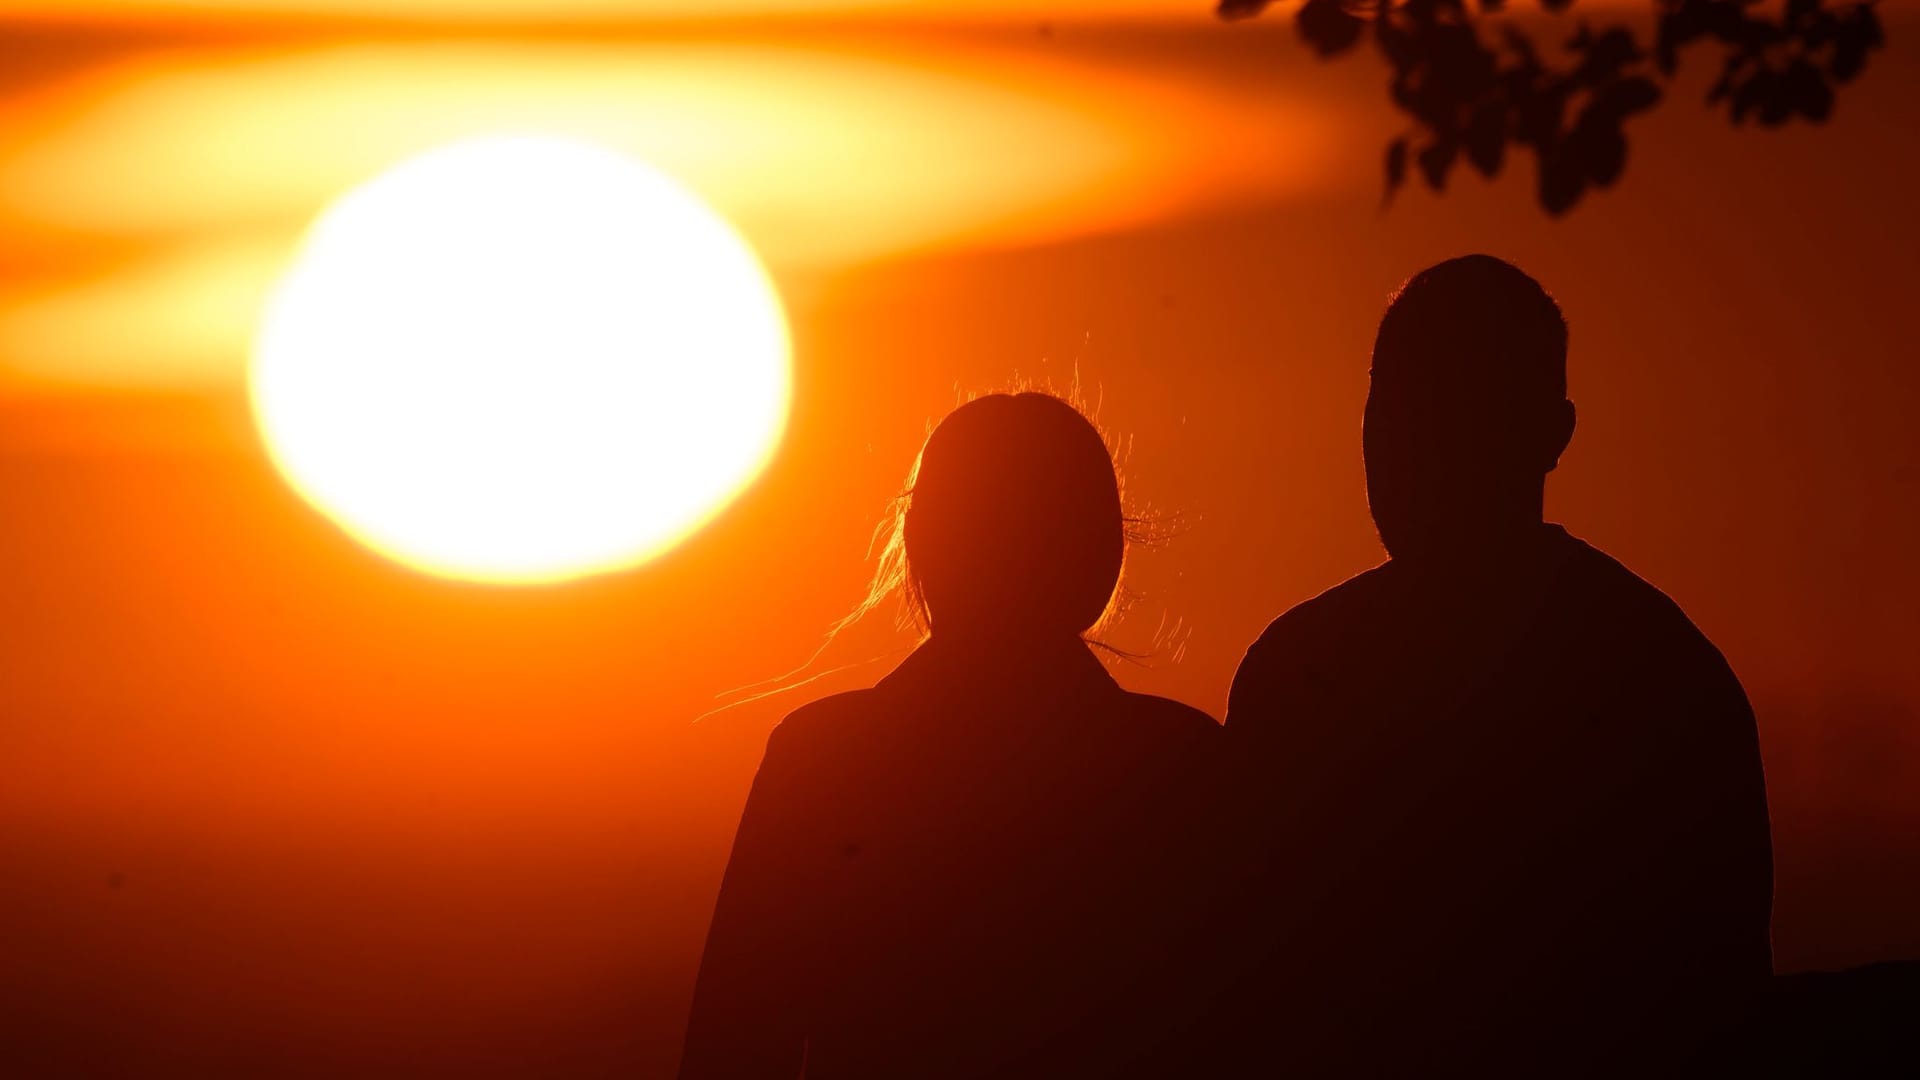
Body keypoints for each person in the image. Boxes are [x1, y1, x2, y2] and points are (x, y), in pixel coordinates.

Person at [1220, 255, 1775, 1075]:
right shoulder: (1667, 674)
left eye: (1447, 409)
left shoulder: (1302, 675)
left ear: (1551, 436)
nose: (1406, 443)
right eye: (1393, 404)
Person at [678, 392, 1221, 1080]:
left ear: (921, 543)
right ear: (1106, 551)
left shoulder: (822, 760)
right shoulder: (1183, 765)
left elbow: (732, 1045)